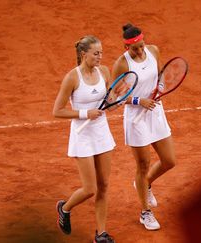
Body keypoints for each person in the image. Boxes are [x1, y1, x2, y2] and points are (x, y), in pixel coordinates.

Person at [112, 23, 176, 231]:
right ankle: (145, 212)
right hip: (136, 118)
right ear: (126, 47)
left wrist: (161, 86)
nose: (140, 51)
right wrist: (139, 100)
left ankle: (144, 184)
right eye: (135, 48)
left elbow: (159, 76)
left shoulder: (154, 51)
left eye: (142, 46)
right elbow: (114, 97)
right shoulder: (122, 64)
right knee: (143, 166)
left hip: (156, 112)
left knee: (169, 161)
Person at [53, 35, 116, 243]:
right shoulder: (73, 77)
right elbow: (58, 111)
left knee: (104, 185)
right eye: (96, 53)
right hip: (82, 136)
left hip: (102, 134)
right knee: (90, 189)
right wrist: (84, 113)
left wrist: (115, 103)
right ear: (84, 54)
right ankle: (65, 207)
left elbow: (110, 100)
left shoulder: (104, 72)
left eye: (101, 53)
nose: (100, 57)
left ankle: (101, 234)